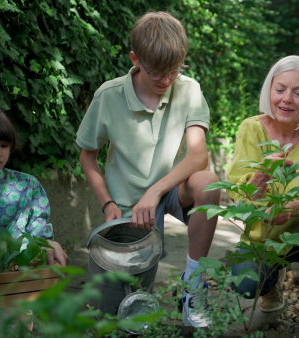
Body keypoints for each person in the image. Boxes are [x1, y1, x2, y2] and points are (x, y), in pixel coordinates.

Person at [75, 11, 219, 327]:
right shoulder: (108, 95)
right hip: (127, 208)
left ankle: (193, 285)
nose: (167, 81)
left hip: (169, 192)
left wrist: (154, 191)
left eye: (174, 71)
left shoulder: (189, 89)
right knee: (125, 317)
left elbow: (198, 157)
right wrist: (108, 205)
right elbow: (88, 157)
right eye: (157, 73)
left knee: (208, 183)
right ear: (135, 59)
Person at [227, 55, 299, 336]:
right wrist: (261, 177)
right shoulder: (251, 128)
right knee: (243, 285)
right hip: (263, 234)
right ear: (269, 90)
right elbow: (240, 198)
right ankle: (271, 284)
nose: (286, 99)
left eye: (298, 93)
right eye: (280, 90)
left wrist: (291, 208)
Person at [0, 106, 68, 266]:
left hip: (21, 280)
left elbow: (40, 237)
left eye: (4, 145)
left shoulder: (27, 186)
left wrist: (50, 246)